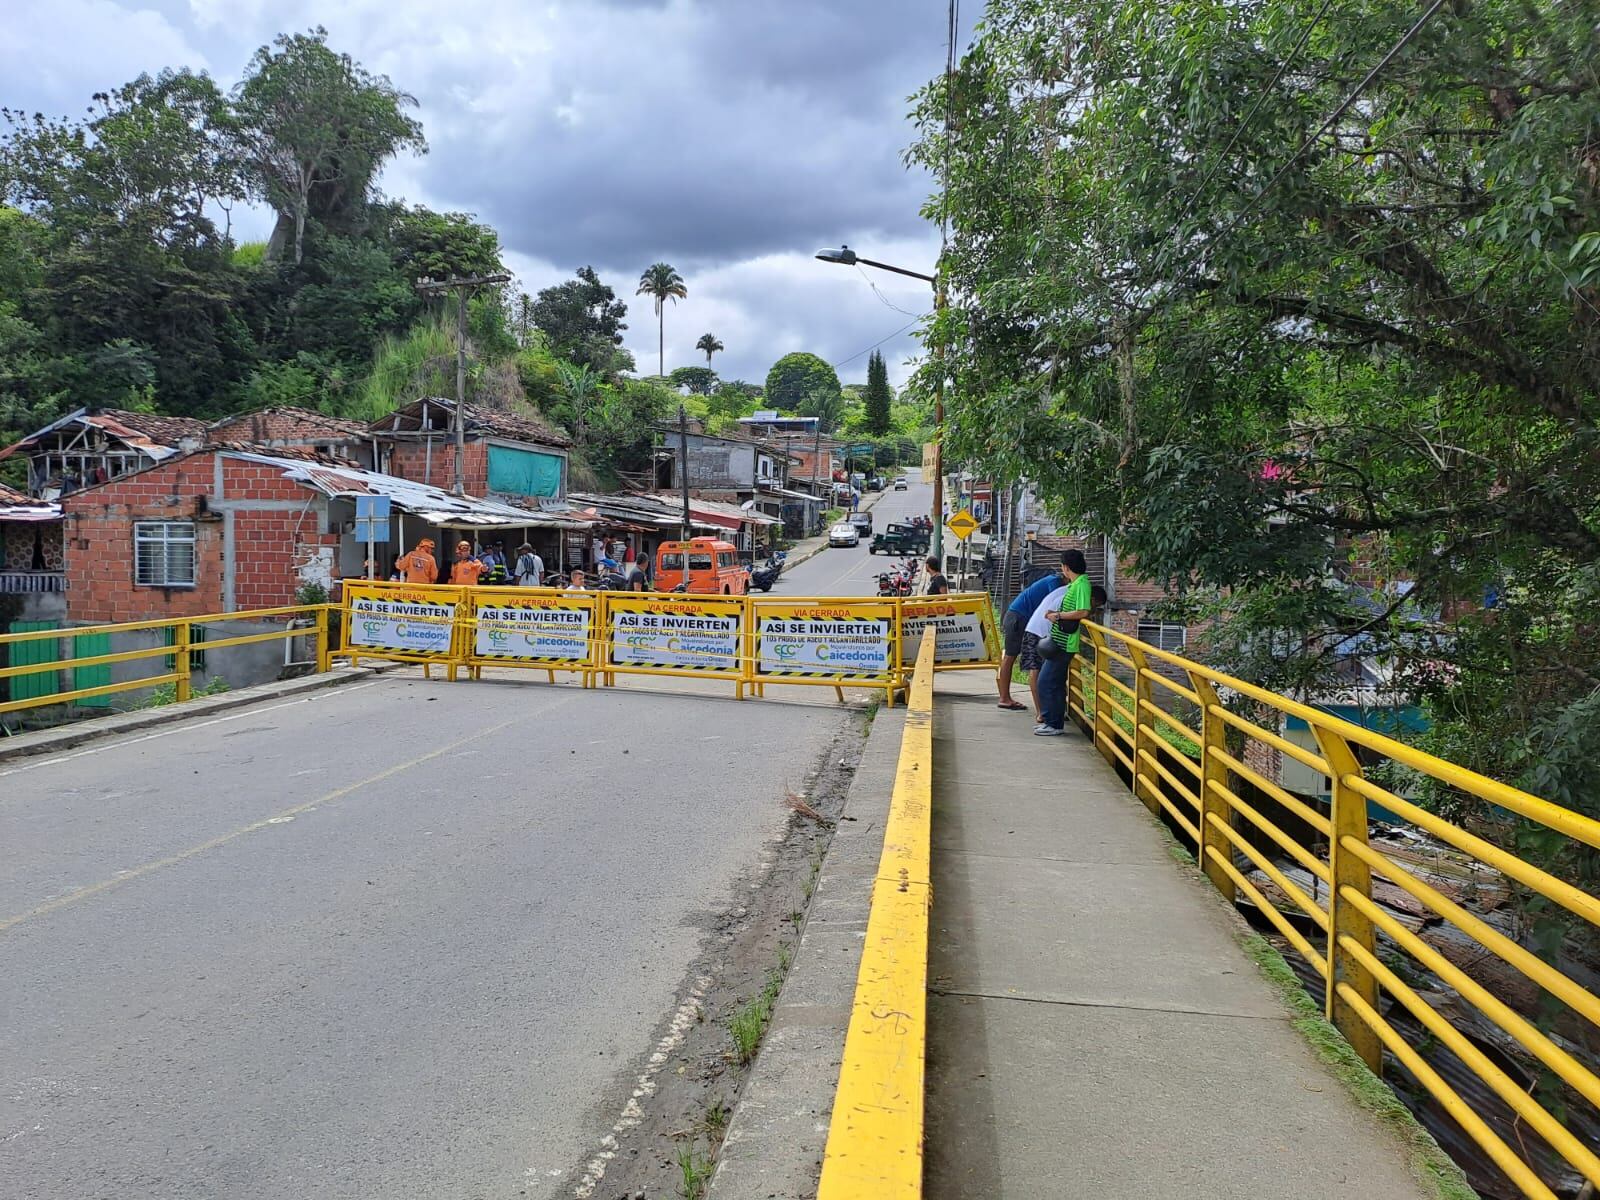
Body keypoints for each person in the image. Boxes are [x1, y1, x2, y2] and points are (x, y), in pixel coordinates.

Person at [996, 556, 1069, 710]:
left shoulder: (1054, 580)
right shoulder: (1055, 582)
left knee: (1012, 657)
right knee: (1010, 656)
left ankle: (1005, 697)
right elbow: (1055, 606)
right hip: (1018, 617)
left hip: (1019, 616)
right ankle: (1004, 698)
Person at [1035, 549, 1092, 737]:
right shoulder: (1077, 584)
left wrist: (1058, 615)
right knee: (1055, 683)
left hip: (1065, 643)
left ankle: (1053, 723)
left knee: (1046, 681)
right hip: (1061, 640)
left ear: (1066, 567)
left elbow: (1083, 611)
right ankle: (1054, 722)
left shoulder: (1082, 584)